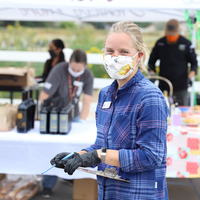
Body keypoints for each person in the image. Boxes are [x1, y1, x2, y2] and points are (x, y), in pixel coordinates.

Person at [50, 21, 169, 200]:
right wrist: (77, 156)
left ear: (139, 56)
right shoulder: (106, 94)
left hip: (139, 194)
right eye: (110, 51)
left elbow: (150, 157)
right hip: (109, 192)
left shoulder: (150, 97)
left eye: (124, 52)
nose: (115, 57)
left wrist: (99, 156)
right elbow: (102, 147)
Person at [40, 49, 94, 198]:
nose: (76, 71)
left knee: (73, 149)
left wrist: (82, 120)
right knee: (53, 148)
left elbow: (87, 99)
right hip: (56, 116)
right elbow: (44, 95)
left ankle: (69, 177)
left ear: (85, 66)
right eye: (73, 68)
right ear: (69, 63)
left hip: (74, 116)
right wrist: (47, 115)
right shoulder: (59, 70)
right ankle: (48, 184)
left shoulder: (88, 75)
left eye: (79, 69)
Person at [148, 19, 198, 106]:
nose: (171, 37)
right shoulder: (160, 43)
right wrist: (152, 74)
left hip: (181, 86)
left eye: (173, 35)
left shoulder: (186, 44)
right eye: (169, 35)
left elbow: (194, 63)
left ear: (178, 31)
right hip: (164, 85)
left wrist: (190, 77)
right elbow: (151, 62)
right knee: (161, 110)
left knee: (182, 112)